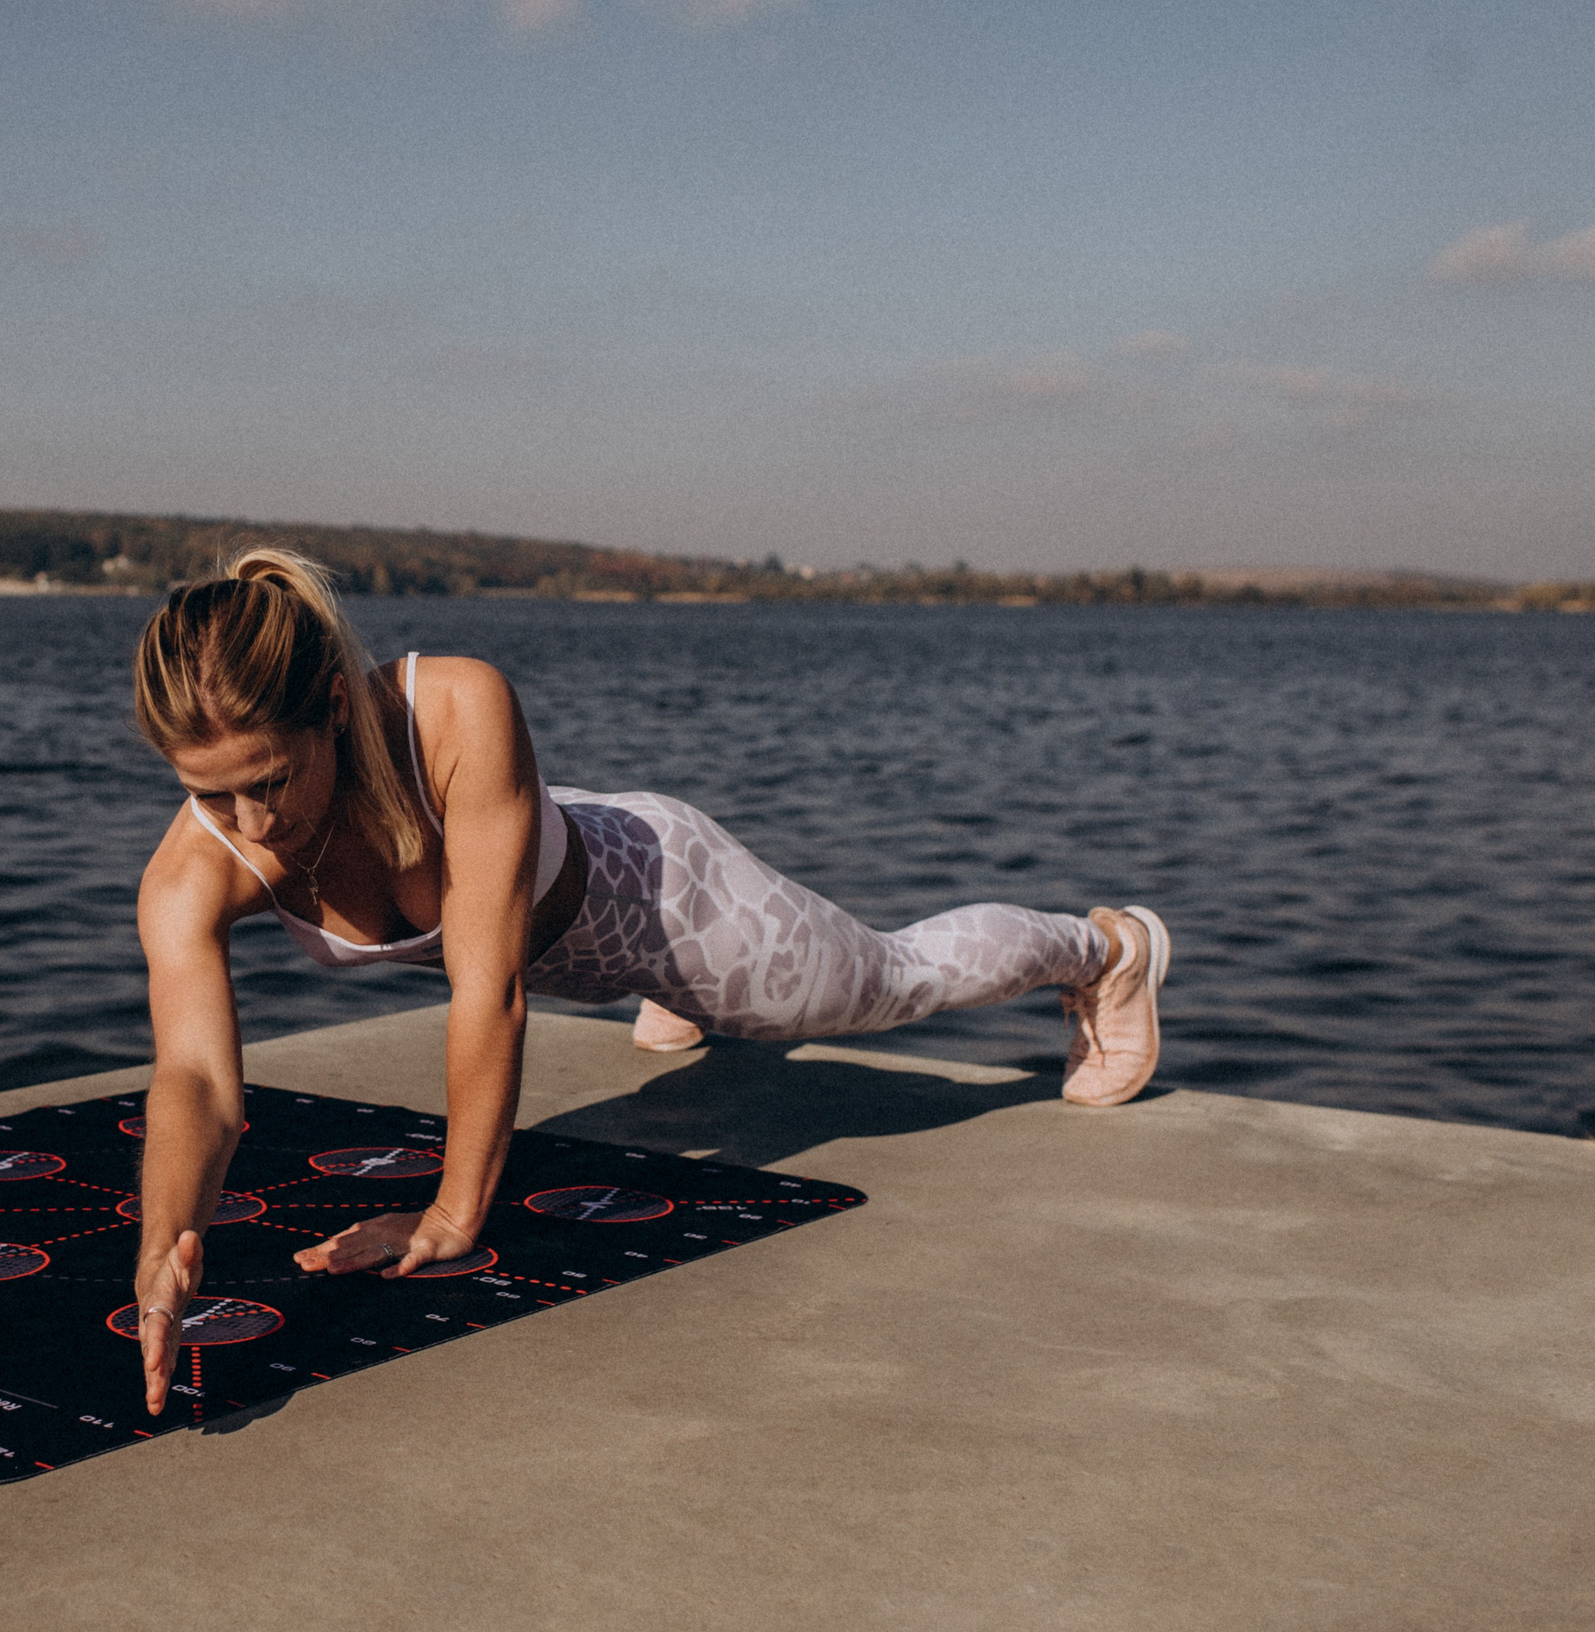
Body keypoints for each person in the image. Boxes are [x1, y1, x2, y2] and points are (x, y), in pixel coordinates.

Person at [127, 548, 1169, 1415]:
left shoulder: (451, 706)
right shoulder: (193, 869)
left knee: (889, 980)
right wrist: (166, 1243)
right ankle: (677, 999)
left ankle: (1105, 951)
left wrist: (450, 1214)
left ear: (332, 707)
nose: (252, 822)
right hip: (550, 926)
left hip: (660, 896)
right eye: (211, 793)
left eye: (270, 780)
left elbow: (485, 990)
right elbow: (200, 1083)